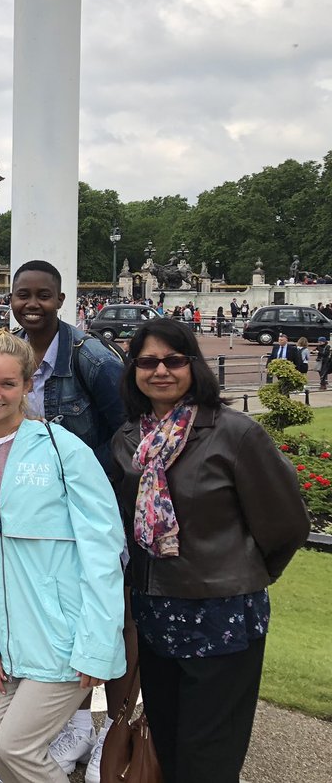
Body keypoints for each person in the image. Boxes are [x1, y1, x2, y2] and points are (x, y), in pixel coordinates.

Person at [110, 319, 309, 783]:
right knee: (170, 741)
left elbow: (286, 525)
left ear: (193, 366)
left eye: (173, 360)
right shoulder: (129, 441)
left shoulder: (234, 433)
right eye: (147, 362)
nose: (160, 370)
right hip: (157, 615)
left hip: (223, 617)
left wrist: (242, 575)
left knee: (210, 756)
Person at [0, 330, 126, 783]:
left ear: (28, 386)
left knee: (18, 746)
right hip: (6, 644)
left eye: (8, 384)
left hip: (64, 639)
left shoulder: (62, 448)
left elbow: (103, 549)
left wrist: (96, 644)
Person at [9, 260, 129, 776]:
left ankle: (110, 727)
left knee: (105, 617)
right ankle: (72, 724)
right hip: (33, 511)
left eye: (42, 295)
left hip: (83, 503)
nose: (31, 304)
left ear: (60, 300)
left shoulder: (91, 356)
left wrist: (78, 474)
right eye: (22, 295)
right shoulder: (9, 349)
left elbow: (128, 431)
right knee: (56, 616)